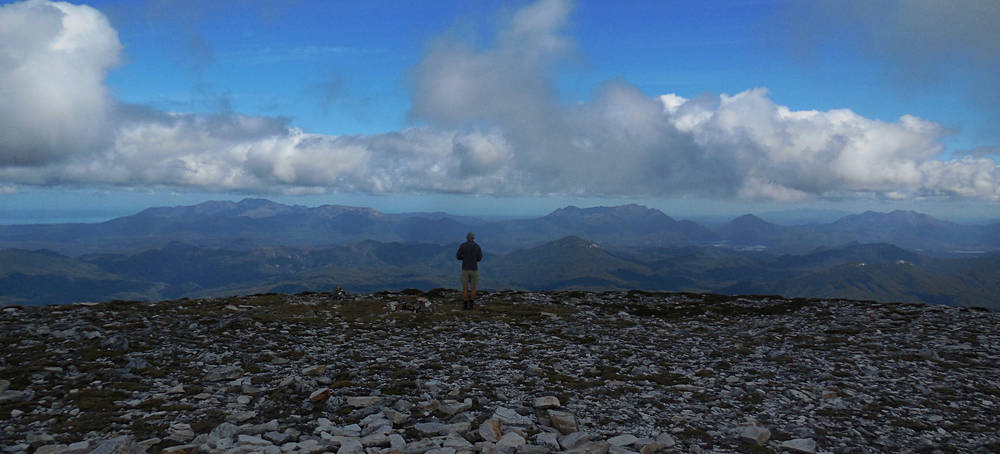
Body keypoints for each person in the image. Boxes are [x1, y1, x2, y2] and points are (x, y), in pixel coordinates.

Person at [456, 232, 483, 309]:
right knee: (473, 287)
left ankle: (465, 305)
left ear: (467, 238)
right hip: (474, 269)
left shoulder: (463, 246)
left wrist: (464, 258)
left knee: (465, 288)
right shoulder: (477, 246)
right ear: (473, 238)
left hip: (465, 269)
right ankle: (471, 304)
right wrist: (474, 260)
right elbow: (480, 258)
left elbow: (458, 256)